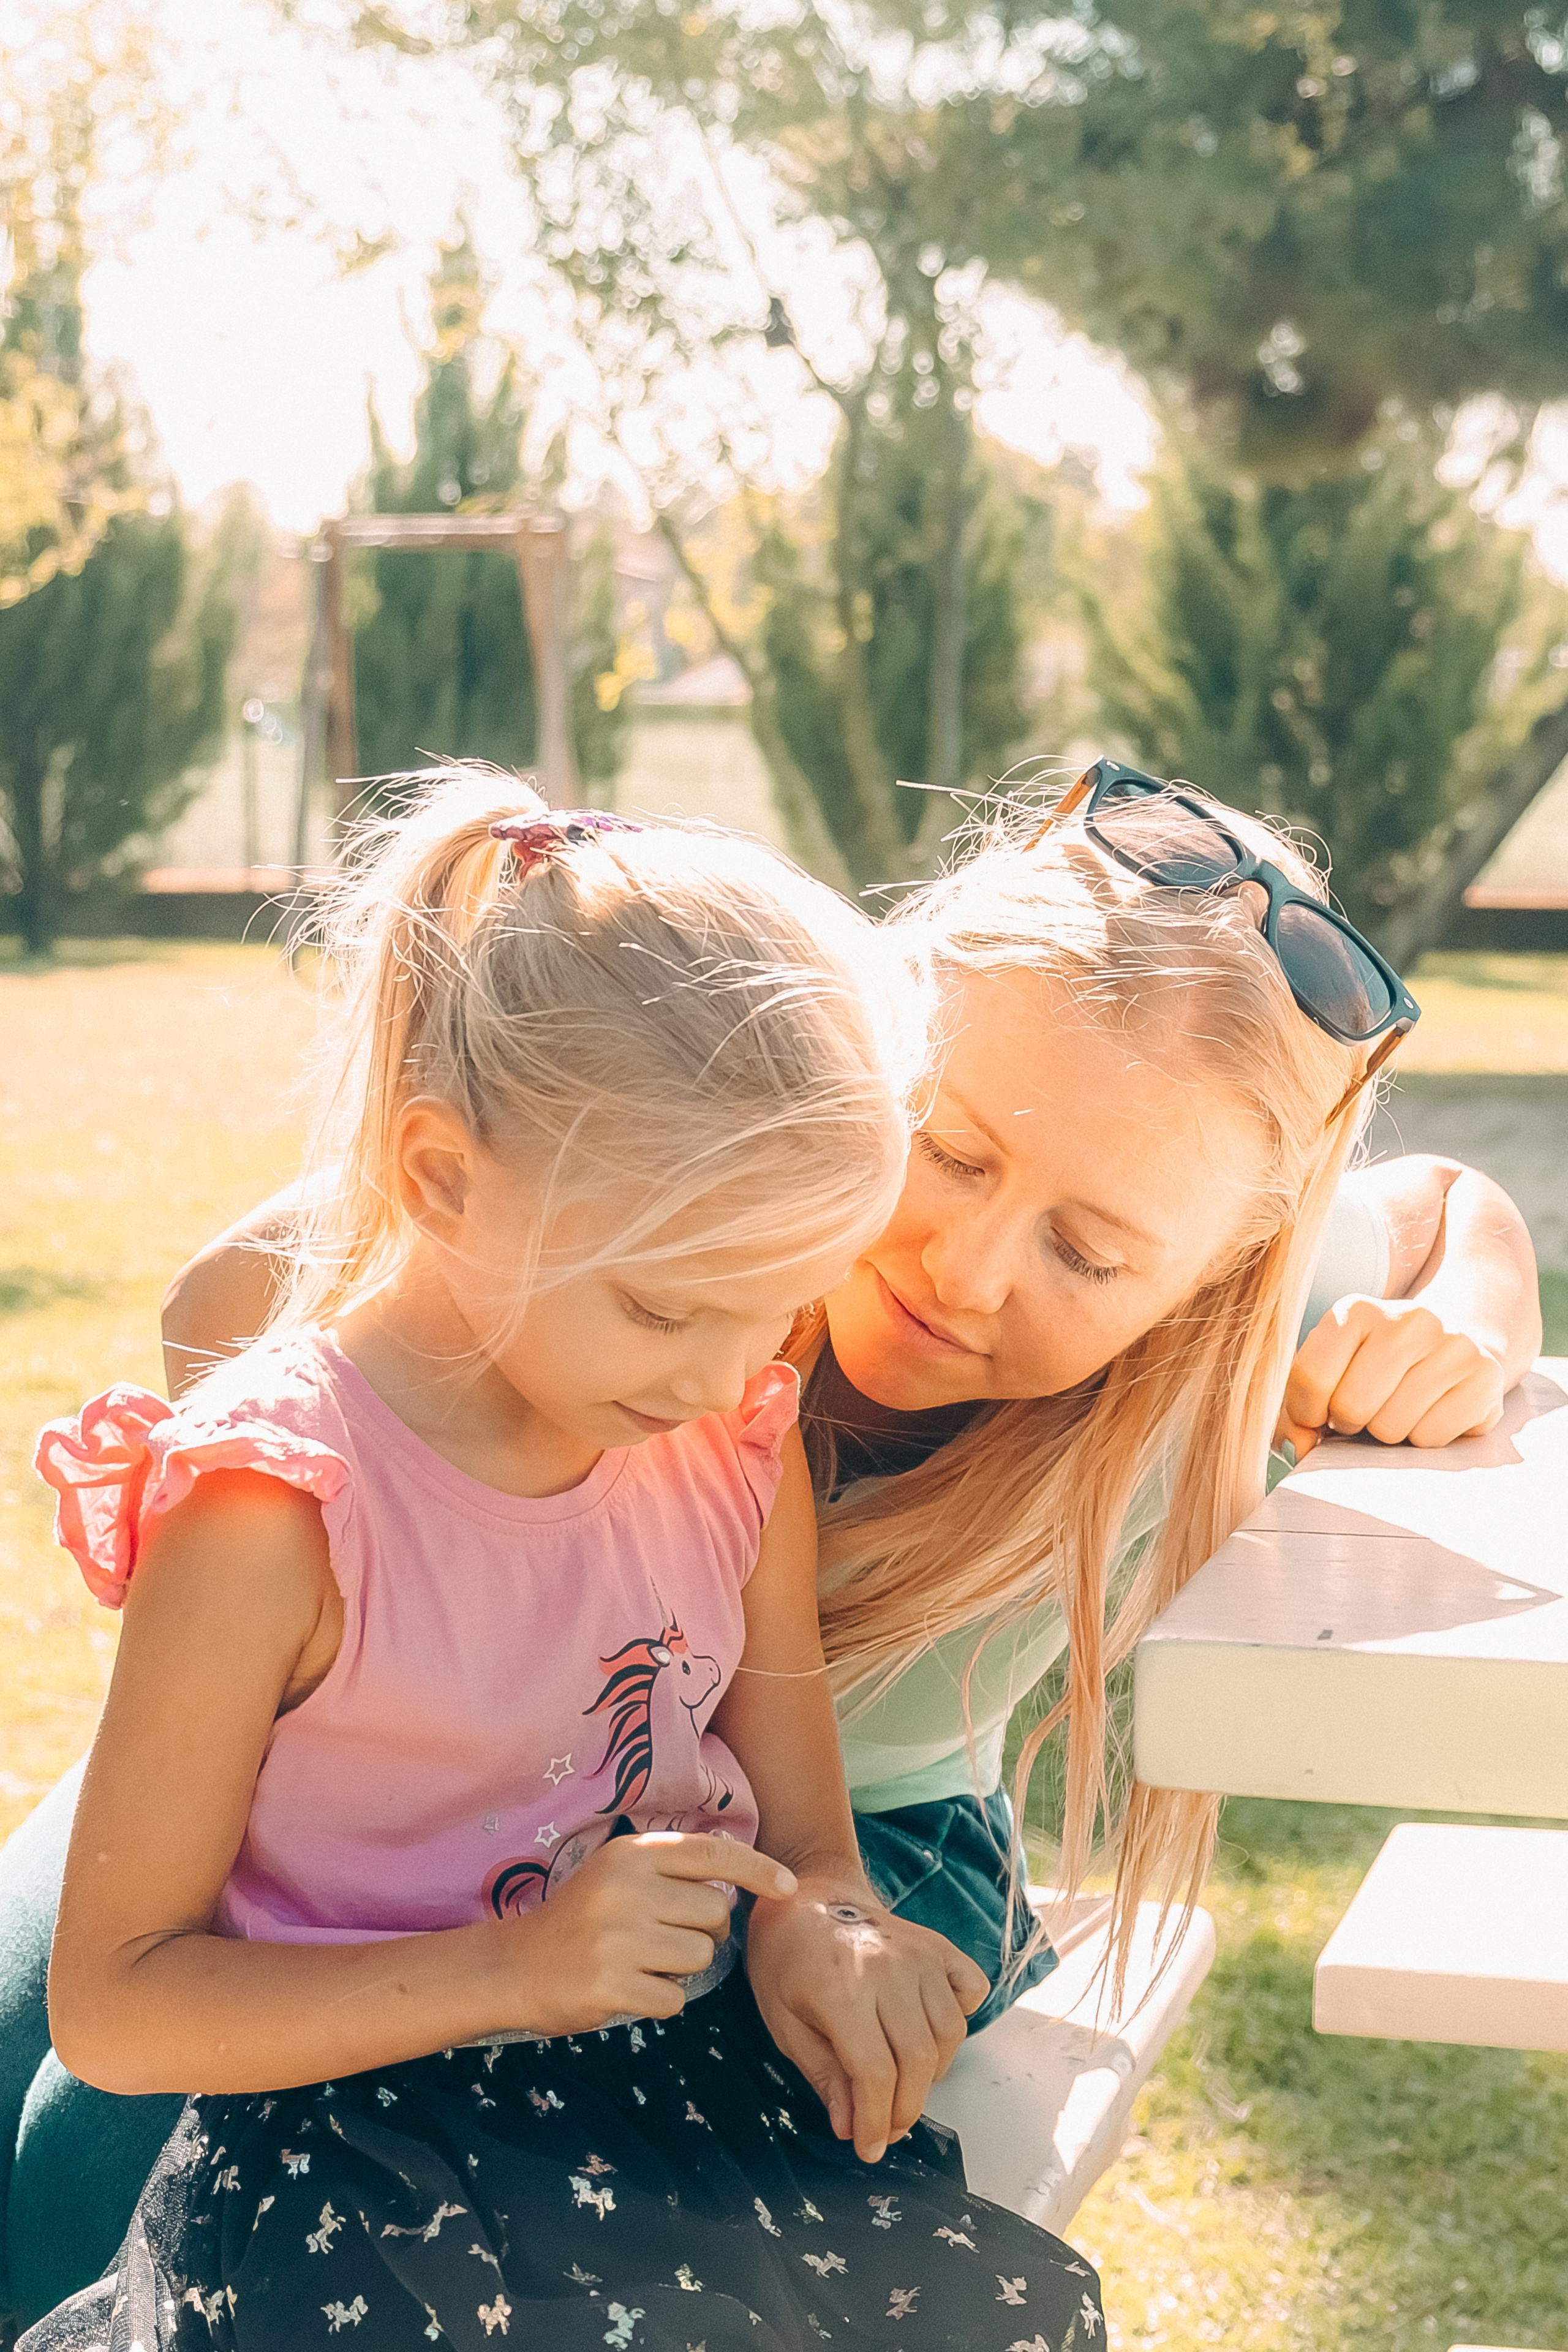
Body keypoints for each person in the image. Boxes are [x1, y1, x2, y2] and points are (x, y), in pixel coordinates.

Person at [0, 763, 1540, 2329]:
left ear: (1209, 1286)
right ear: (868, 1052)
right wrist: (348, 1616)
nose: (965, 1267)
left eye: (1088, 1254)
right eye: (941, 1153)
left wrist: (1466, 1330)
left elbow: (1436, 1206)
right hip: (387, 1761)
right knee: (45, 2077)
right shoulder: (685, 1154)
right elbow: (240, 1293)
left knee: (117, 2159)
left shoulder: (1147, 1335)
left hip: (815, 1836)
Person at [17, 777, 1104, 2352]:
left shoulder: (729, 1435)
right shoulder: (275, 1511)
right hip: (353, 2160)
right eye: (669, 1308)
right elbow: (114, 2004)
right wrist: (514, 1971)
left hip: (674, 2100)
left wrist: (824, 1919)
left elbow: (811, 1836)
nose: (730, 1372)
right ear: (444, 1176)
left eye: (777, 1304)